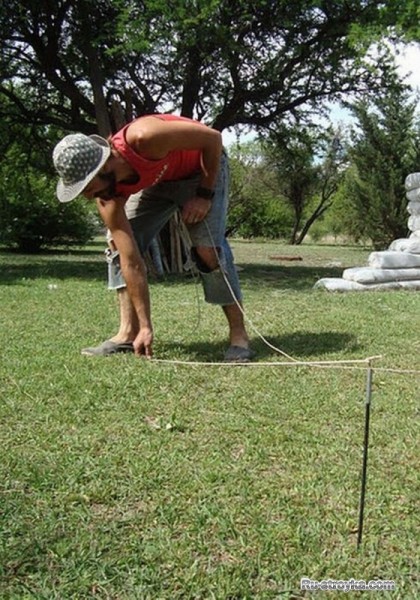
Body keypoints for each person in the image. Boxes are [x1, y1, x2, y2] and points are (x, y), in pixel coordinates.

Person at [53, 113, 253, 361]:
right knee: (118, 245)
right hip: (160, 180)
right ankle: (128, 333)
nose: (86, 196)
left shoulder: (145, 137)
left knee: (207, 251)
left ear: (103, 167)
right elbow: (131, 260)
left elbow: (213, 139)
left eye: (87, 186)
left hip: (201, 170)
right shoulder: (105, 197)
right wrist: (146, 326)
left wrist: (204, 194)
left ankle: (239, 336)